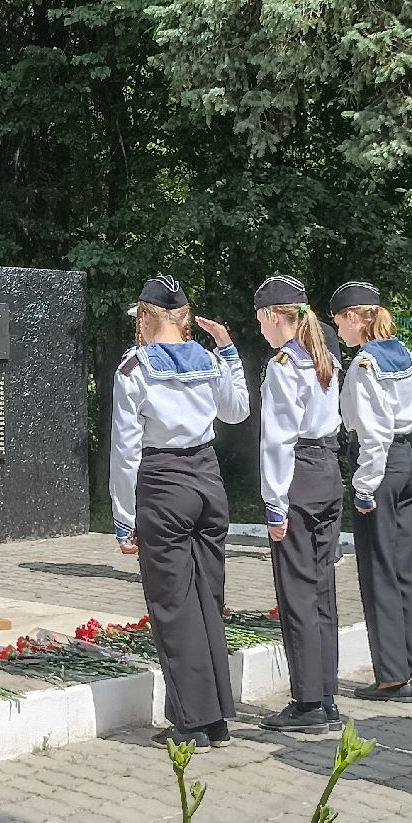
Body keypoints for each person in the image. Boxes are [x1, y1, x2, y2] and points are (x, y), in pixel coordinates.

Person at [108, 276, 250, 751]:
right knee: (208, 599)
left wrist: (124, 517)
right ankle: (218, 720)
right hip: (208, 477)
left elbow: (127, 450)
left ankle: (191, 722)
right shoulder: (208, 360)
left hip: (164, 481)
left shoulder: (135, 368)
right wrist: (229, 352)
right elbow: (236, 412)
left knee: (173, 605)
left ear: (146, 317)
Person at [332, 281, 412, 704]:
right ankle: (411, 665)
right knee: (403, 565)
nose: (338, 332)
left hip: (382, 466)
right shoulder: (403, 355)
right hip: (408, 461)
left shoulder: (365, 365)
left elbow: (372, 434)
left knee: (378, 570)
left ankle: (391, 676)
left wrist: (364, 485)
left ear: (355, 318)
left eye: (339, 322)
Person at [252, 276, 345, 733]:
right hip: (327, 469)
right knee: (322, 589)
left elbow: (278, 438)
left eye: (261, 321)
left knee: (298, 593)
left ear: (272, 316)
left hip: (299, 474)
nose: (261, 331)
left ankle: (307, 703)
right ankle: (326, 695)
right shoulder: (322, 356)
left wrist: (274, 501)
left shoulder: (285, 364)